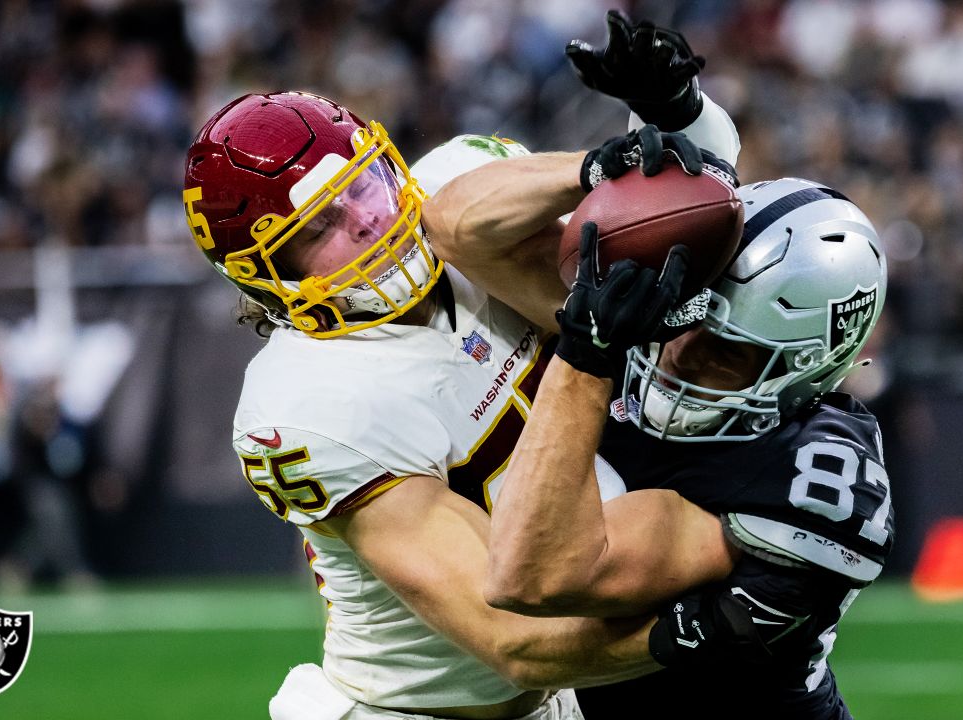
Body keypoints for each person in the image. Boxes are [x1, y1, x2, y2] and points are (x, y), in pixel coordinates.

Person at [182, 13, 746, 720]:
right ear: (269, 280)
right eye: (318, 228)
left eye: (364, 186)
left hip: (559, 699)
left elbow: (685, 215)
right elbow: (513, 638)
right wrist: (719, 617)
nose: (364, 220)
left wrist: (674, 122)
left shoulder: (462, 190)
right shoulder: (307, 400)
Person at [434, 166, 893, 719]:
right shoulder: (649, 326)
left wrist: (586, 356)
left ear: (806, 370)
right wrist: (596, 164)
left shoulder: (796, 472)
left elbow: (531, 578)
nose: (680, 354)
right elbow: (451, 229)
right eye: (689, 316)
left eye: (726, 351)